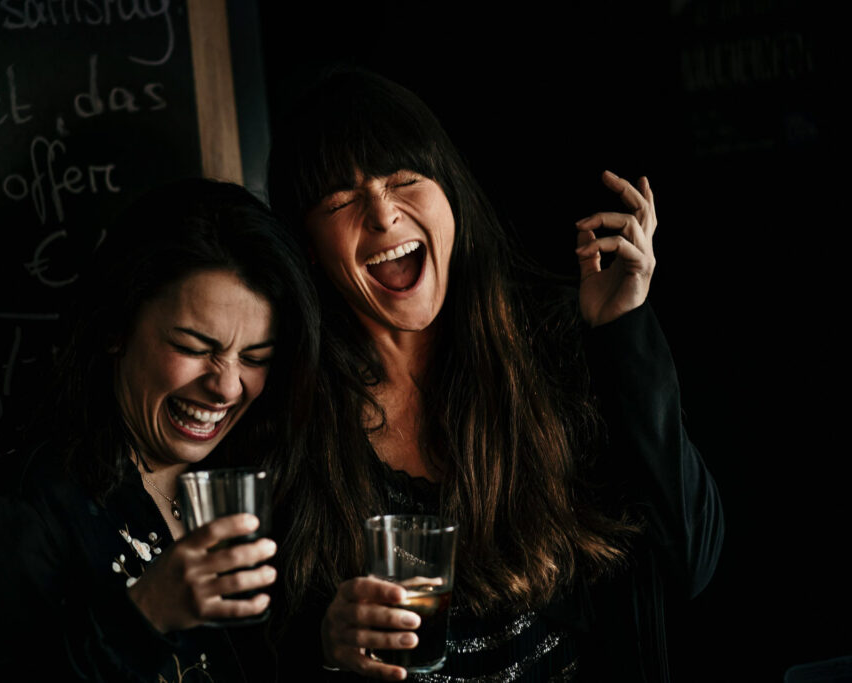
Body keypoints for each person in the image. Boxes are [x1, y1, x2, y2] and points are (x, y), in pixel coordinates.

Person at [265, 68, 724, 682]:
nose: (382, 214)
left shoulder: (553, 347)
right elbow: (248, 648)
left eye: (405, 179)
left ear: (449, 197)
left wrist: (623, 332)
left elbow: (689, 558)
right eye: (340, 201)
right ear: (308, 246)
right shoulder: (287, 410)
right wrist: (323, 646)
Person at [0, 178, 319, 682]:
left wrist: (328, 647)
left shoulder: (259, 476)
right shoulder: (23, 510)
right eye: (193, 347)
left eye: (255, 358)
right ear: (116, 326)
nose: (227, 387)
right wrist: (144, 616)